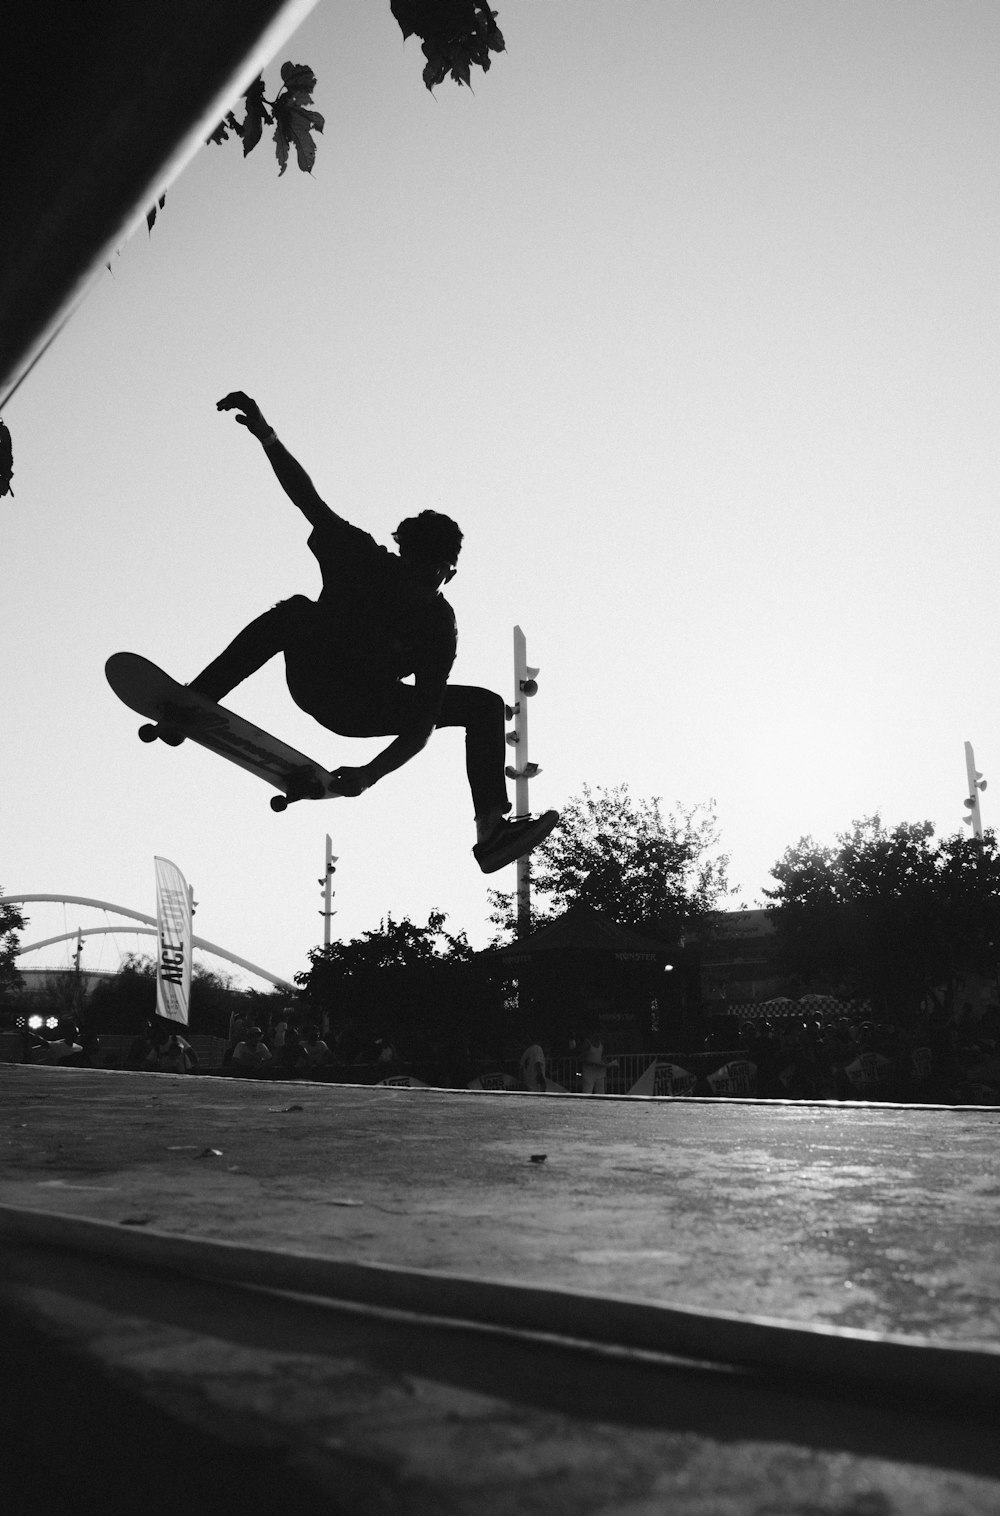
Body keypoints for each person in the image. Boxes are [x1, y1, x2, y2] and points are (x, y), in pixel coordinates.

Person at [174, 392, 558, 874]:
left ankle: (491, 832)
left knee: (482, 705)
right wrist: (267, 436)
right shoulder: (360, 556)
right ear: (402, 557)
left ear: (450, 574)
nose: (424, 586)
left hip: (365, 707)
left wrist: (370, 775)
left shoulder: (440, 625)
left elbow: (421, 723)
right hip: (317, 679)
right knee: (293, 611)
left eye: (435, 577)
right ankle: (199, 698)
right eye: (417, 571)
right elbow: (307, 499)